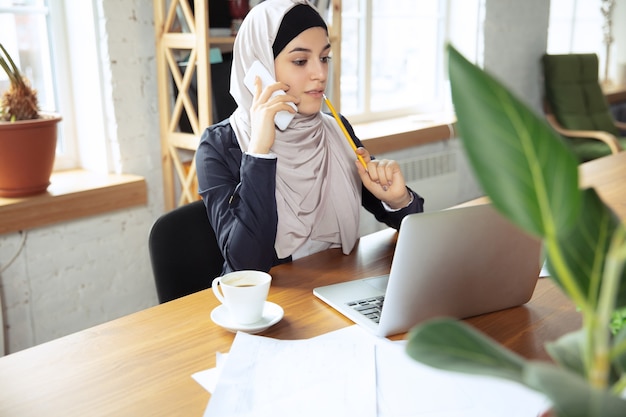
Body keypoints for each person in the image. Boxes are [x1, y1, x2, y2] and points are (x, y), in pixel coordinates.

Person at [196, 0, 424, 274]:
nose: (320, 73)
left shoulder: (335, 130)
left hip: (336, 290)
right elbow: (247, 266)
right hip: (271, 307)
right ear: (261, 69)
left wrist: (399, 200)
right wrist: (259, 151)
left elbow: (411, 224)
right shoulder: (219, 147)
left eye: (324, 57)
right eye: (301, 61)